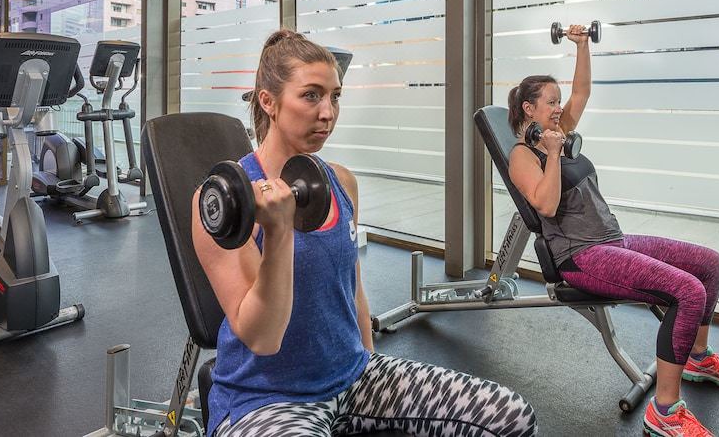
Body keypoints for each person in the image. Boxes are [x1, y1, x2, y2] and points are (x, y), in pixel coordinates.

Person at [194, 30, 538, 437]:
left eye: (335, 96)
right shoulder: (225, 202)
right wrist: (279, 230)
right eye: (311, 95)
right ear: (268, 101)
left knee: (510, 416)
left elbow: (353, 289)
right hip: (266, 399)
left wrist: (371, 366)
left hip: (354, 377)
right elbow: (264, 338)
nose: (328, 112)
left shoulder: (340, 182)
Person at [506, 25, 719, 437]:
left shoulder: (558, 133)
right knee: (688, 291)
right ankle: (665, 413)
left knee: (710, 265)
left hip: (613, 241)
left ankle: (697, 357)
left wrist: (582, 45)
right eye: (550, 102)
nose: (558, 107)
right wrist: (550, 153)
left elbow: (582, 92)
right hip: (582, 257)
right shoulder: (522, 156)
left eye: (556, 102)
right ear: (528, 109)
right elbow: (546, 205)